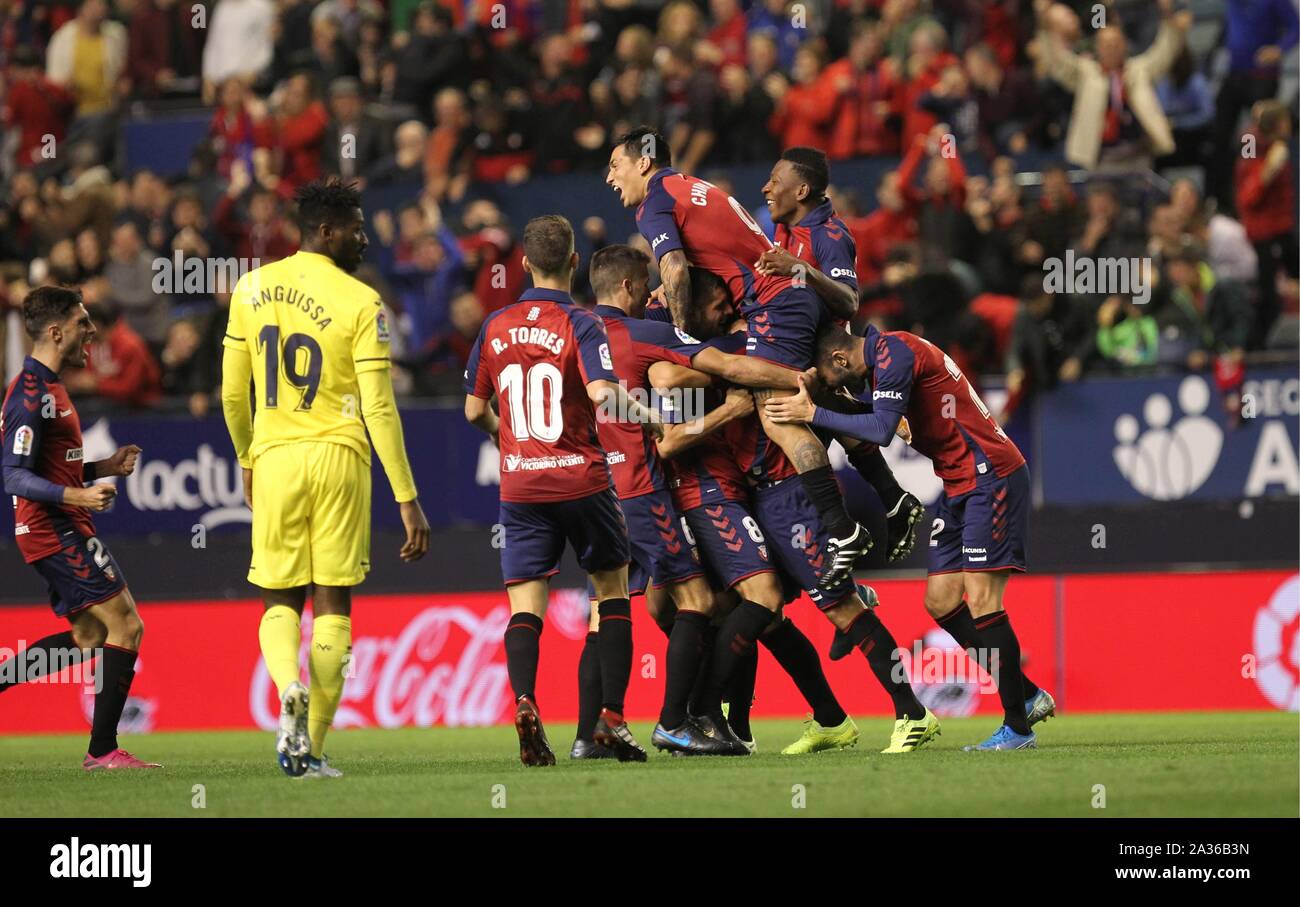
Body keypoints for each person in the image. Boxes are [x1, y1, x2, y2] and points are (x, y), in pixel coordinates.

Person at [221, 178, 431, 779]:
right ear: (327, 231)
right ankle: (309, 748)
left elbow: (234, 391)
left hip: (277, 456)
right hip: (341, 458)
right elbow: (379, 408)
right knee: (333, 600)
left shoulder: (251, 287)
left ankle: (288, 685)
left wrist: (247, 456)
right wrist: (407, 498)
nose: (365, 238)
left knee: (280, 597)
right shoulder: (363, 302)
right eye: (358, 229)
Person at [605, 126, 872, 593]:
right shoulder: (695, 189)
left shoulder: (656, 201)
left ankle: (846, 523)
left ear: (643, 162)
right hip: (775, 304)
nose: (610, 178)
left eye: (615, 165)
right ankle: (864, 455)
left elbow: (673, 267)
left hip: (772, 306)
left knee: (776, 414)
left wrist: (681, 337)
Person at [766, 327, 1056, 750]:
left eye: (830, 378)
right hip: (956, 484)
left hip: (989, 477)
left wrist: (811, 412)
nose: (836, 388)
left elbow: (881, 429)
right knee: (940, 601)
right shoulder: (890, 363)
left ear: (841, 359)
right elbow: (878, 416)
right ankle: (1027, 694)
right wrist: (820, 400)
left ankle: (1018, 727)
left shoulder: (895, 351)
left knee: (982, 600)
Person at [463, 215, 659, 766]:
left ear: (523, 263)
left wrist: (510, 439)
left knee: (526, 608)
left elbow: (474, 409)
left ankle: (526, 702)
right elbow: (603, 393)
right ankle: (612, 719)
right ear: (575, 262)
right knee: (611, 593)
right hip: (583, 481)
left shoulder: (495, 325)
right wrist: (651, 417)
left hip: (521, 488)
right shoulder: (582, 322)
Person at [0, 285, 157, 771]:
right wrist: (78, 496)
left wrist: (101, 467)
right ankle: (103, 751)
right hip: (55, 528)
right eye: (83, 322)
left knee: (90, 635)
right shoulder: (29, 395)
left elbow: (52, 468)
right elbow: (13, 473)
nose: (92, 331)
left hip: (61, 522)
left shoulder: (51, 388)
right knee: (127, 625)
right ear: (55, 331)